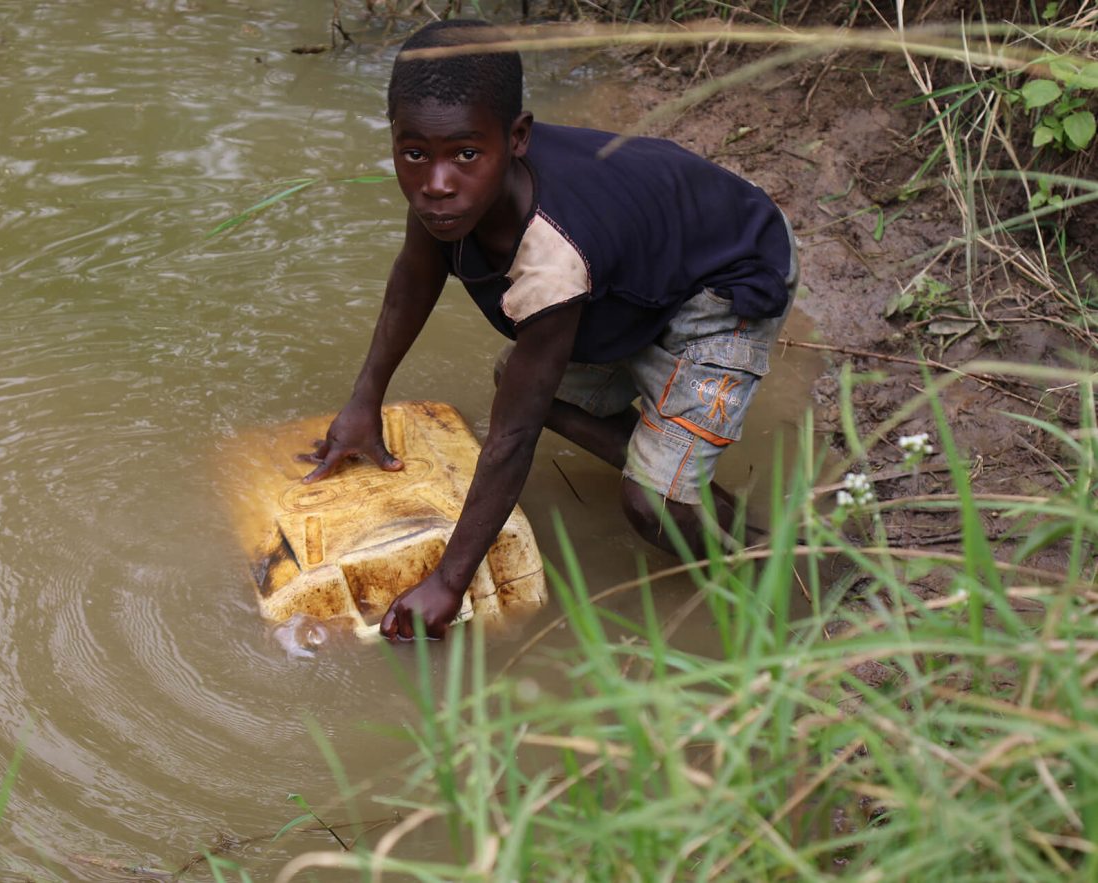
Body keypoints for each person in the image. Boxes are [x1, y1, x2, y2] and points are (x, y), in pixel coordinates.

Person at [299, 19, 798, 642]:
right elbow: (414, 275)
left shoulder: (553, 258)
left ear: (517, 137)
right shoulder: (447, 186)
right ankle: (671, 469)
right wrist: (363, 401)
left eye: (465, 154)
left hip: (730, 274)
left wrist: (449, 582)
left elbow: (514, 437)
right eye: (414, 153)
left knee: (651, 507)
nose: (436, 184)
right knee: (524, 379)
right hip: (651, 259)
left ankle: (775, 573)